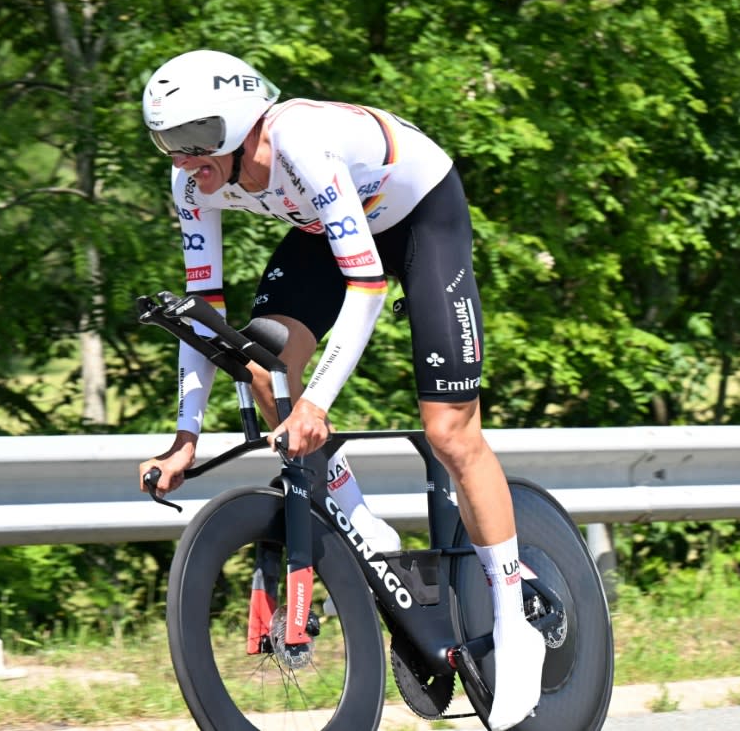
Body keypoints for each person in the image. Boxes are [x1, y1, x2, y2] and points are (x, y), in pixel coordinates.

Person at [136, 49, 545, 730]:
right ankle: (357, 515)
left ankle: (514, 620)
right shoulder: (194, 183)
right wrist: (186, 437)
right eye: (166, 143)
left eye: (194, 140)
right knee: (259, 362)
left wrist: (319, 402)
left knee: (449, 431)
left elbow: (368, 286)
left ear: (240, 122)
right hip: (326, 232)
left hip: (420, 220)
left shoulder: (301, 142)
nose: (183, 160)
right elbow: (201, 313)